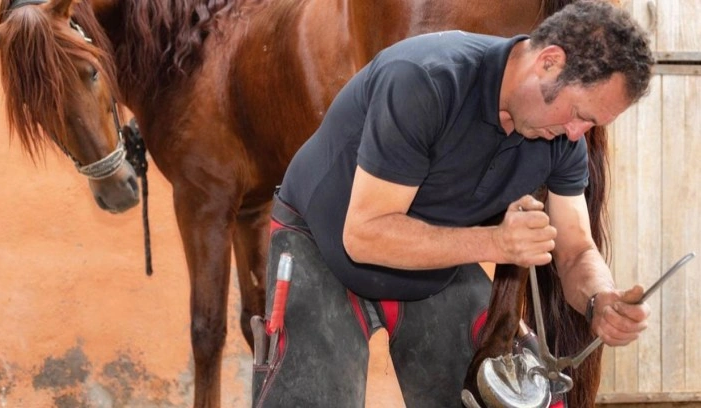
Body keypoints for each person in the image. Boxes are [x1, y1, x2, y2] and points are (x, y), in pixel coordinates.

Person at [251, 1, 654, 407]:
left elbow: (575, 250)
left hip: (432, 261)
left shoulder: (561, 140)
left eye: (590, 125)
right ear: (549, 62)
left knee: (495, 398)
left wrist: (600, 299)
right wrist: (497, 243)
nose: (575, 132)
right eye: (578, 113)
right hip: (323, 244)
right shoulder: (424, 80)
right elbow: (363, 235)